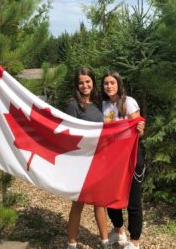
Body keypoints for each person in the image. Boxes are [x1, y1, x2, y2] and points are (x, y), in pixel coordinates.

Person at [65, 67, 109, 249]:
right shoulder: (73, 105)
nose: (85, 85)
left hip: (99, 159)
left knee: (100, 202)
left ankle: (105, 241)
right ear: (77, 85)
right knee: (78, 204)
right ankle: (72, 243)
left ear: (93, 82)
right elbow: (68, 134)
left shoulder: (100, 103)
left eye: (88, 81)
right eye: (81, 82)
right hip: (81, 161)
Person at [101, 71, 145, 249]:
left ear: (118, 84)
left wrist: (140, 128)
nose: (109, 86)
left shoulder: (129, 102)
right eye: (105, 83)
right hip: (111, 159)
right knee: (111, 198)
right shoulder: (102, 105)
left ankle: (134, 241)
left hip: (131, 157)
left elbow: (139, 131)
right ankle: (118, 231)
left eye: (112, 82)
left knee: (133, 200)